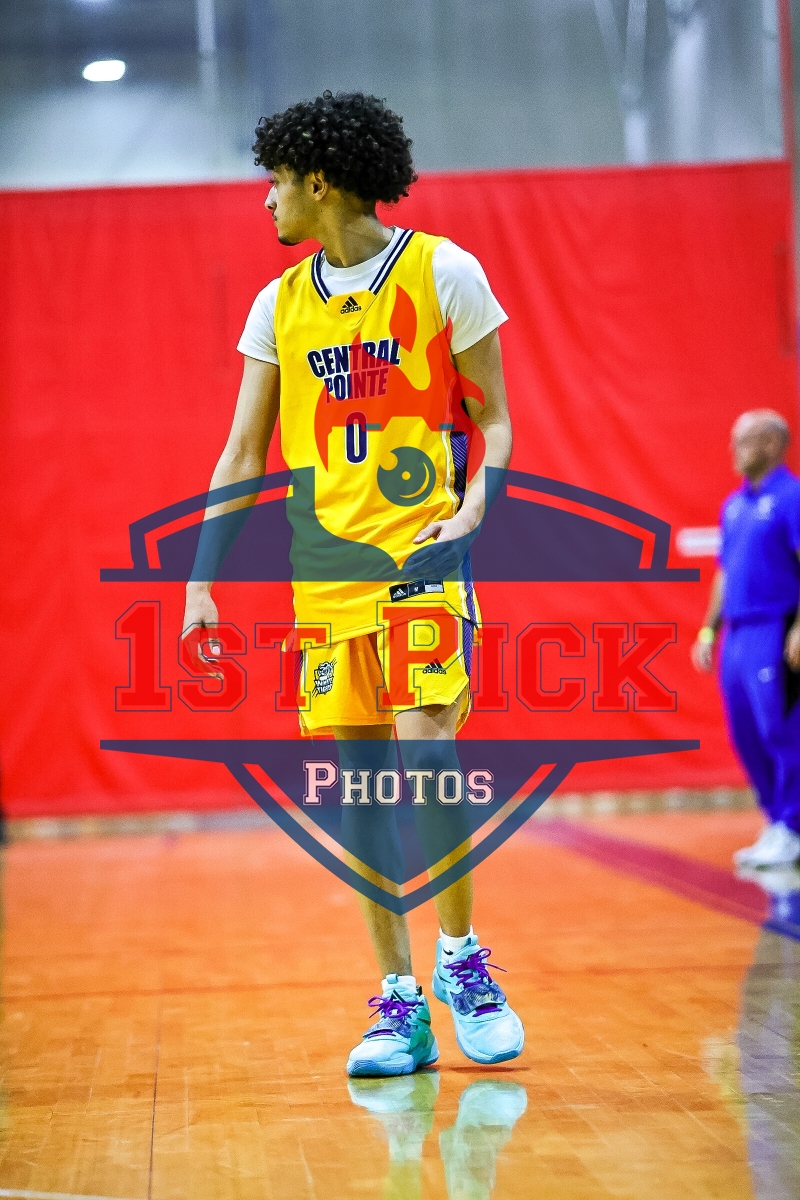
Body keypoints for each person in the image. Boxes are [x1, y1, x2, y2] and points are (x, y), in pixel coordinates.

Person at [182, 91, 524, 1076]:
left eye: (276, 182)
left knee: (429, 760)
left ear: (320, 181)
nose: (267, 201)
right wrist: (200, 581)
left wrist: (471, 512)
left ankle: (461, 960)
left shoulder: (443, 272)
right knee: (365, 794)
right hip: (327, 581)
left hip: (420, 564)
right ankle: (399, 1003)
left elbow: (494, 422)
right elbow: (242, 451)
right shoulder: (276, 305)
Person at [692, 409, 800, 867]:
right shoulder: (734, 505)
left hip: (774, 626)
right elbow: (724, 572)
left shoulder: (791, 497)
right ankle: (777, 822)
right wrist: (708, 628)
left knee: (781, 729)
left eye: (745, 441)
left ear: (773, 444)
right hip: (737, 633)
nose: (733, 449)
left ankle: (793, 826)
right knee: (745, 732)